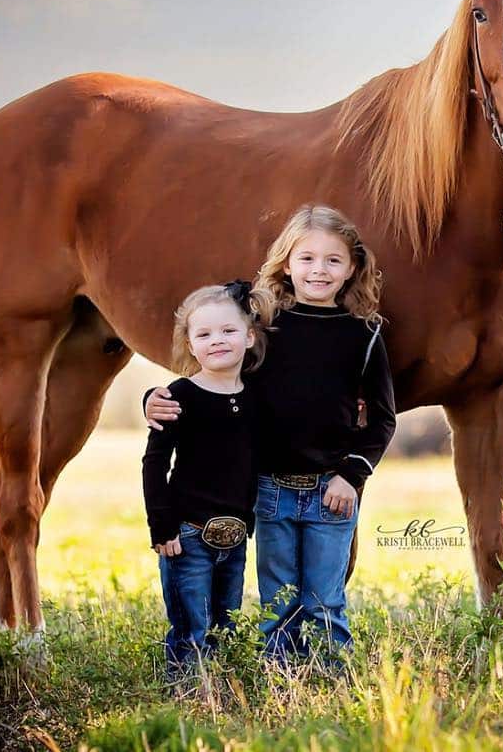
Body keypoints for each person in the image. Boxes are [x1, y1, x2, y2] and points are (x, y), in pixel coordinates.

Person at [145, 204, 396, 663]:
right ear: (285, 262)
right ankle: (281, 675)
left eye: (333, 260)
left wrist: (352, 475)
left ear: (352, 268)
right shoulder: (263, 330)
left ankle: (327, 678)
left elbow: (382, 418)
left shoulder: (365, 334)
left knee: (325, 600)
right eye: (307, 259)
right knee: (278, 601)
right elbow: (215, 378)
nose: (319, 270)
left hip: (332, 491)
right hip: (270, 490)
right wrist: (154, 397)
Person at [142, 282, 263, 681]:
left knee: (225, 627)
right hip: (187, 537)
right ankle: (187, 695)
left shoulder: (257, 398)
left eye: (228, 331)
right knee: (191, 629)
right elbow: (154, 463)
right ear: (190, 345)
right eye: (204, 334)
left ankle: (221, 695)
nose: (217, 341)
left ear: (249, 336)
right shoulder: (179, 395)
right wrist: (162, 526)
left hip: (234, 540)